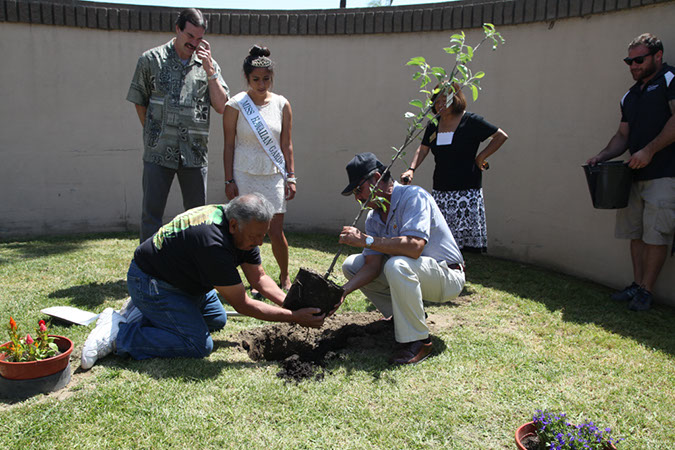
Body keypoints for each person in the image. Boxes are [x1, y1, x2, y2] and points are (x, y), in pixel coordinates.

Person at [80, 193, 324, 370]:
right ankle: (119, 335)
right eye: (255, 236)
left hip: (185, 282)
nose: (260, 243)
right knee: (196, 345)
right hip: (152, 282)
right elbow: (243, 304)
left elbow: (259, 278)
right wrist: (294, 317)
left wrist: (292, 304)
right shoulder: (213, 242)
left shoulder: (242, 227)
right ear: (233, 226)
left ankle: (142, 312)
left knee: (217, 319)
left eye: (263, 235)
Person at [336, 153, 466, 365]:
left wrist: (366, 241)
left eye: (359, 190)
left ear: (377, 178)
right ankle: (402, 319)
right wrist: (343, 292)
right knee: (352, 265)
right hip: (417, 272)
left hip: (447, 276)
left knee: (397, 264)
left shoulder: (414, 196)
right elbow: (372, 266)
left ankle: (419, 341)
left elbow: (414, 247)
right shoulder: (374, 217)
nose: (358, 198)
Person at [586, 33, 675, 311]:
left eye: (639, 60)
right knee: (635, 233)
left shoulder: (670, 80)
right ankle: (637, 285)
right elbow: (622, 136)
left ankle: (647, 291)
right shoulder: (630, 95)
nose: (633, 65)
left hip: (664, 173)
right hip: (632, 175)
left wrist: (649, 150)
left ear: (657, 56)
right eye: (629, 61)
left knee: (656, 234)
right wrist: (602, 155)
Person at [127, 8, 230, 242]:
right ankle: (148, 270)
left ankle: (192, 268)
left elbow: (222, 105)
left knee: (196, 218)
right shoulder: (151, 60)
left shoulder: (208, 65)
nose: (194, 43)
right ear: (177, 29)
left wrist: (210, 71)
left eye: (200, 38)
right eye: (190, 36)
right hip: (158, 152)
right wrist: (152, 132)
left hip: (194, 154)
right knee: (151, 215)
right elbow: (139, 100)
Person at [400, 83, 508, 252]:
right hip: (441, 187)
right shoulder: (434, 125)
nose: (440, 105)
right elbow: (423, 148)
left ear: (455, 100)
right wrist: (411, 169)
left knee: (463, 240)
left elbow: (500, 136)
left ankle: (460, 265)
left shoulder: (471, 121)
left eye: (445, 100)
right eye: (437, 102)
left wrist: (481, 157)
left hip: (467, 189)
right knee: (441, 235)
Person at [223, 45, 296, 291]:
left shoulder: (282, 104)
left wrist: (292, 176)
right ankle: (257, 278)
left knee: (275, 231)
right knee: (249, 230)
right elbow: (229, 145)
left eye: (266, 79)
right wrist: (228, 180)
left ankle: (285, 275)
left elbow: (286, 145)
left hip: (273, 174)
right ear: (246, 78)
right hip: (244, 173)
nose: (261, 83)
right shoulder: (235, 105)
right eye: (256, 79)